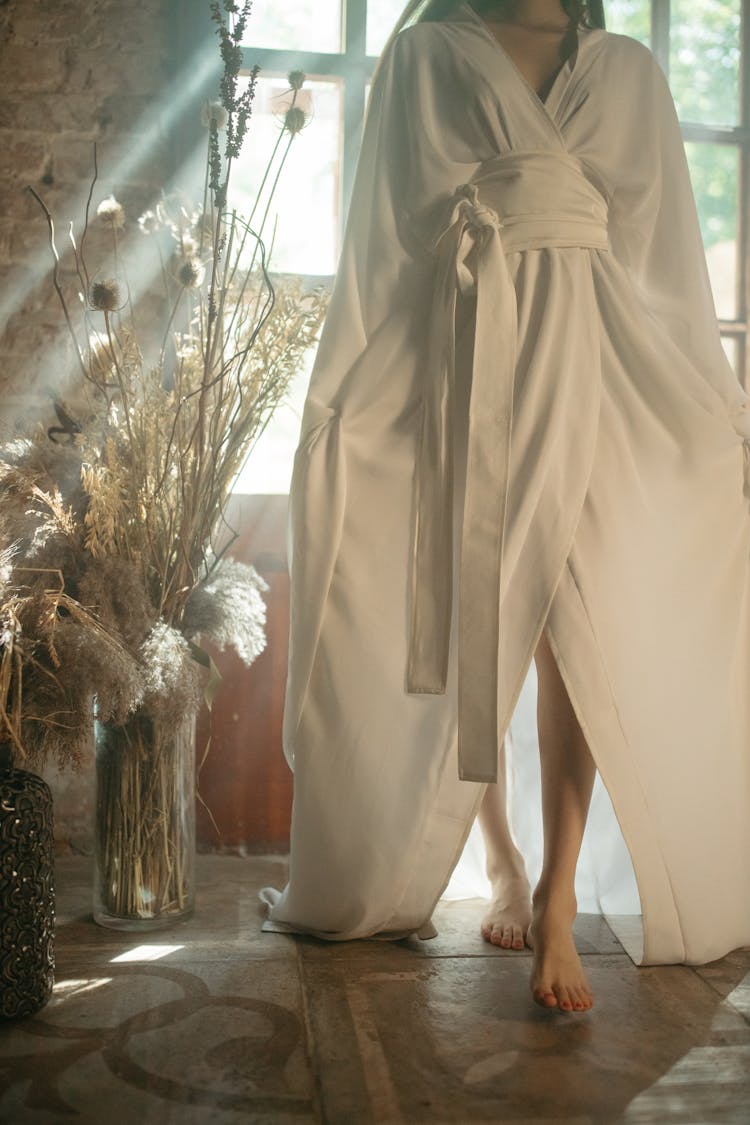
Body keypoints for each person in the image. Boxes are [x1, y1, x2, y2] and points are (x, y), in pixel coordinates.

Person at [260, 0, 750, 1014]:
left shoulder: (625, 72)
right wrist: (350, 397)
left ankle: (561, 895)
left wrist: (706, 404)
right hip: (464, 364)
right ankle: (504, 862)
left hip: (603, 369)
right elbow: (383, 244)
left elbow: (663, 262)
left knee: (578, 631)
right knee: (477, 604)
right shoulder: (426, 56)